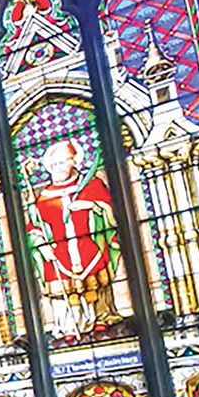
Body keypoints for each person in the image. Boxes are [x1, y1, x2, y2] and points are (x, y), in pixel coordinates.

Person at [24, 136, 128, 341]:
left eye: (63, 161)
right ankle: (69, 326)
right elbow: (34, 226)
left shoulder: (92, 185)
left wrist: (91, 207)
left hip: (88, 244)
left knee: (96, 282)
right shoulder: (43, 197)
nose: (59, 167)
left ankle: (101, 317)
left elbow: (110, 211)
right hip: (59, 251)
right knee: (64, 288)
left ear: (74, 161)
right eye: (54, 164)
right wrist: (40, 244)